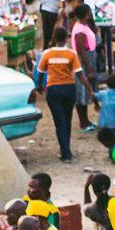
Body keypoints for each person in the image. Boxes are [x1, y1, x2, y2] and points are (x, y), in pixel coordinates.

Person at [37, 27, 92, 162]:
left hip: (53, 90)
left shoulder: (47, 54)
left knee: (59, 122)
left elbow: (40, 73)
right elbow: (80, 75)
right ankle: (66, 150)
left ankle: (65, 153)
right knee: (67, 120)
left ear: (54, 38)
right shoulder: (71, 54)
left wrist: (40, 87)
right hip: (69, 89)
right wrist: (90, 90)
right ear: (66, 38)